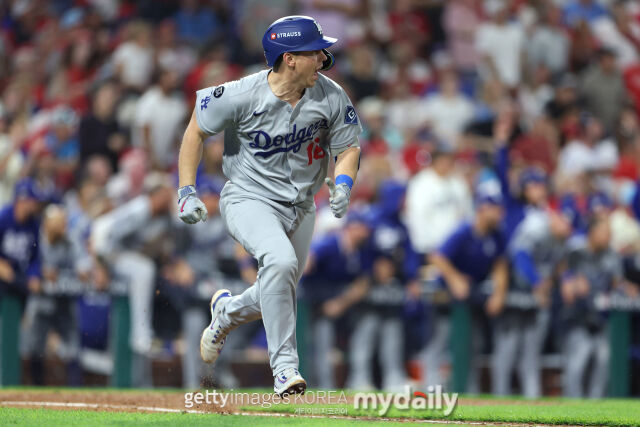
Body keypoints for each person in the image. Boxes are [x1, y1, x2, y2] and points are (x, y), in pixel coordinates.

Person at [176, 16, 362, 396]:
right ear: (289, 58)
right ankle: (284, 369)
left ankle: (226, 313)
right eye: (314, 51)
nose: (323, 58)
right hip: (248, 197)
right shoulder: (241, 93)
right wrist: (186, 190)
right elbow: (196, 130)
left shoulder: (330, 94)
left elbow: (349, 147)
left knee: (277, 285)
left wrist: (344, 183)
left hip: (301, 205)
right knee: (280, 264)